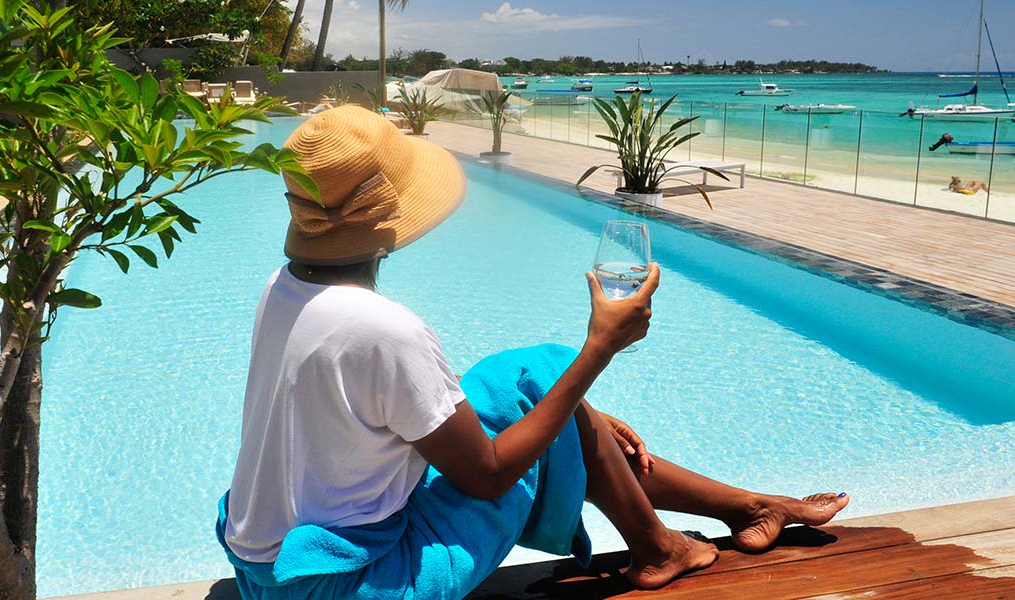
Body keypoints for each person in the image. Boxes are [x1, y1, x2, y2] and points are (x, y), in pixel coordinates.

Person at [217, 106, 849, 599]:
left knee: (534, 377)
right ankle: (666, 546)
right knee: (556, 387)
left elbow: (382, 415)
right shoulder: (384, 330)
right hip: (358, 583)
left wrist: (568, 401)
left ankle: (738, 510)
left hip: (269, 569)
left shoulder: (284, 287)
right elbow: (488, 475)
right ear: (388, 217)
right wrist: (599, 349)